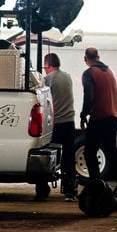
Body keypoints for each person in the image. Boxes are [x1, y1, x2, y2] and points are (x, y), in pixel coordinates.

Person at [80, 46, 117, 182]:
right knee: (111, 148)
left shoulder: (89, 73)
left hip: (99, 117)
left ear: (85, 59)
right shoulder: (110, 71)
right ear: (98, 57)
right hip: (114, 117)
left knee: (89, 152)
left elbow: (89, 96)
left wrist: (83, 115)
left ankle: (96, 182)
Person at [43, 53, 78, 201]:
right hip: (69, 122)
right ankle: (70, 191)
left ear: (48, 64)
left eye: (45, 65)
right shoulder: (67, 77)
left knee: (46, 156)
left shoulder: (48, 79)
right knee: (68, 158)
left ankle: (42, 190)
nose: (44, 68)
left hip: (55, 124)